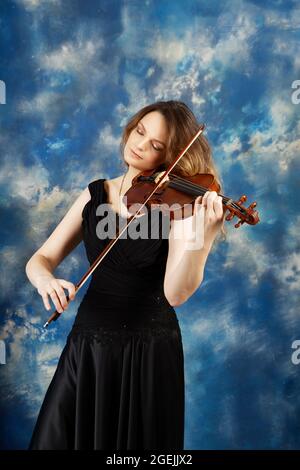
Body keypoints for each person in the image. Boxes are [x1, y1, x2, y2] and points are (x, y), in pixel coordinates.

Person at [25, 100, 226, 450]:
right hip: (87, 346)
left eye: (156, 146)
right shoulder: (95, 193)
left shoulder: (177, 205)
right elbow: (40, 258)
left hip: (148, 352)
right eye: (140, 131)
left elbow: (176, 293)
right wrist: (46, 279)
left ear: (169, 156)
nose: (141, 144)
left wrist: (203, 239)